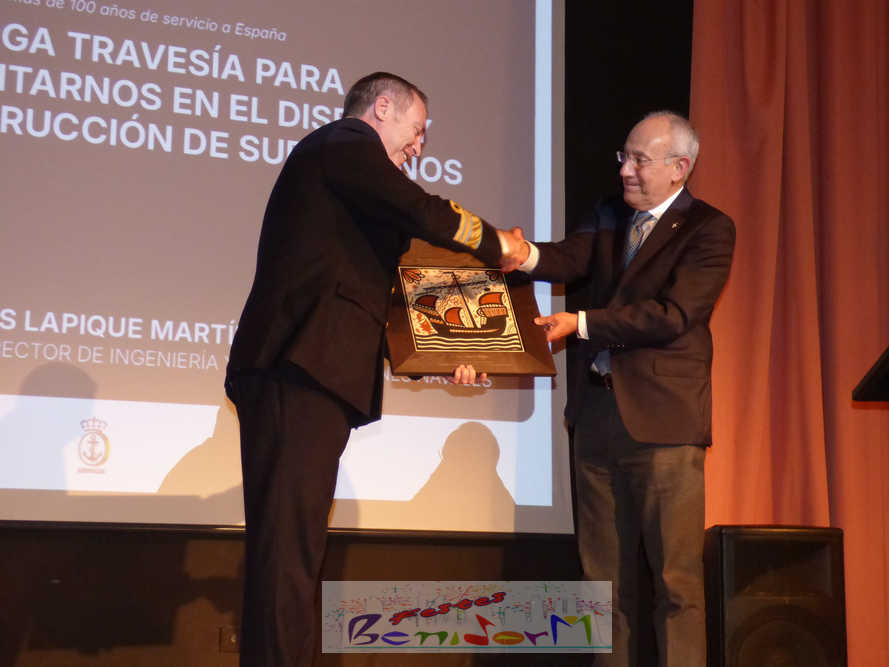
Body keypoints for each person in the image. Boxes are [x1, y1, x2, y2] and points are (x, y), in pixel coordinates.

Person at [225, 71, 523, 666]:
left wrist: (446, 356)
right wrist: (498, 245)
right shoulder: (343, 143)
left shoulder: (351, 194)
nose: (419, 146)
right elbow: (420, 209)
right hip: (296, 371)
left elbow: (375, 299)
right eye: (418, 130)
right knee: (288, 556)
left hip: (311, 374)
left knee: (293, 554)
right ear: (382, 107)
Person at [504, 111, 735, 666]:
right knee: (600, 585)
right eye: (623, 157)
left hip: (664, 424)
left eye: (639, 160)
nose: (626, 170)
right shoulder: (609, 213)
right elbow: (567, 257)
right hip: (596, 417)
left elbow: (673, 315)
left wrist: (581, 323)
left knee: (676, 582)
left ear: (679, 168)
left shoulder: (709, 228)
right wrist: (520, 254)